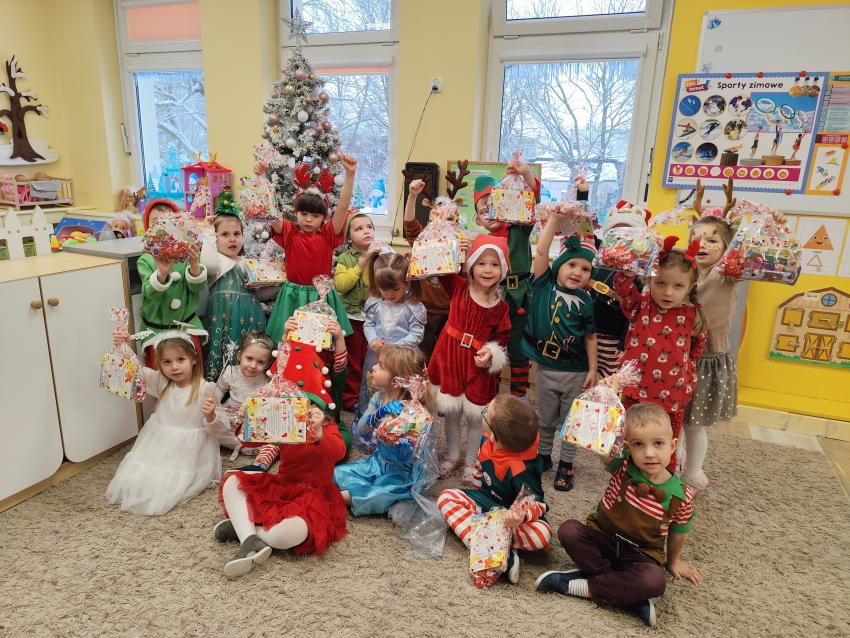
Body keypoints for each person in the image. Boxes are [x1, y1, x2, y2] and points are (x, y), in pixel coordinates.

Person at [536, 403, 701, 628]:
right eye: (638, 444)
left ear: (672, 446)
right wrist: (601, 408)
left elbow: (679, 533)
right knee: (569, 530)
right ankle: (626, 595)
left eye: (658, 444)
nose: (649, 453)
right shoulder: (622, 463)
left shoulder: (681, 496)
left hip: (641, 554)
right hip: (603, 538)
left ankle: (582, 585)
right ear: (627, 446)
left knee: (655, 581)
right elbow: (602, 446)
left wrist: (674, 561)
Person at [213, 352, 348, 578]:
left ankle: (245, 530)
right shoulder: (286, 423)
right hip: (282, 488)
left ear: (321, 410)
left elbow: (338, 452)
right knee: (233, 482)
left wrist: (319, 433)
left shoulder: (328, 429)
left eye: (311, 406)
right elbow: (250, 441)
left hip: (314, 496)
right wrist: (247, 421)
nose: (305, 412)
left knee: (287, 534)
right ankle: (249, 539)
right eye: (298, 405)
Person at [682, 200, 785, 493]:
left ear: (727, 249)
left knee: (694, 425)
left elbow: (756, 254)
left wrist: (773, 226)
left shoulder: (727, 273)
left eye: (712, 240)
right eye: (696, 238)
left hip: (707, 360)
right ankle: (673, 465)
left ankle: (693, 474)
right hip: (678, 355)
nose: (702, 244)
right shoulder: (685, 272)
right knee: (674, 419)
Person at [612, 237, 707, 473]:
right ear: (649, 280)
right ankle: (625, 480)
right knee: (630, 437)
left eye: (678, 286)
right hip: (636, 390)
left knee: (666, 443)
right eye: (660, 283)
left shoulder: (693, 314)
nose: (668, 292)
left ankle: (664, 484)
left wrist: (686, 373)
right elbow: (624, 288)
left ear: (690, 288)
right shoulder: (642, 305)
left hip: (672, 396)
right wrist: (627, 268)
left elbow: (696, 348)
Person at [437, 394, 550, 585]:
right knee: (445, 498)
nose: (483, 413)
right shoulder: (486, 441)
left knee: (542, 534)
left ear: (496, 437)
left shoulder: (522, 469)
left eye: (485, 414)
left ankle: (488, 548)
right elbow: (480, 470)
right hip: (487, 501)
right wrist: (475, 486)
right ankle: (498, 549)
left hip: (511, 516)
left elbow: (536, 501)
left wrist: (519, 515)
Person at [106, 329, 220, 515]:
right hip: (160, 441)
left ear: (193, 359)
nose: (174, 367)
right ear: (160, 364)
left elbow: (217, 427)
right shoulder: (161, 381)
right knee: (137, 479)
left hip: (189, 448)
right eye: (167, 362)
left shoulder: (206, 389)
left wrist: (210, 415)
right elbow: (135, 370)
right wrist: (124, 346)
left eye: (180, 359)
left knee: (172, 484)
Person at [427, 234, 511, 485]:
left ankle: (472, 461)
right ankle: (453, 454)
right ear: (471, 265)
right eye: (481, 263)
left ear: (503, 269)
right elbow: (437, 265)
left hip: (477, 366)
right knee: (451, 412)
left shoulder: (501, 308)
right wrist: (454, 249)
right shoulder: (458, 286)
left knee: (476, 416)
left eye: (494, 264)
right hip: (451, 358)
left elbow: (502, 339)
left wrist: (491, 353)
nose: (487, 269)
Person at [524, 207, 597, 492]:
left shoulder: (586, 300)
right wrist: (554, 219)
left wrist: (593, 369)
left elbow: (590, 336)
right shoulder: (544, 285)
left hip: (576, 371)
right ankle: (544, 456)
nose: (577, 272)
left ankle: (566, 463)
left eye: (585, 269)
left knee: (569, 420)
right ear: (559, 265)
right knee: (545, 418)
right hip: (546, 368)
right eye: (572, 265)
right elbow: (541, 252)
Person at [265, 154, 357, 344]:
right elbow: (270, 212)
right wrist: (261, 178)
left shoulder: (328, 235)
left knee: (321, 345)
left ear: (323, 217)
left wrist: (349, 175)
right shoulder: (289, 233)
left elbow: (342, 208)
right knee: (289, 343)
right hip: (292, 296)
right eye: (304, 213)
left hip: (321, 297)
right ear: (295, 213)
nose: (308, 219)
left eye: (315, 216)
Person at [239, 318, 352, 472]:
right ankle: (262, 462)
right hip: (288, 416)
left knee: (339, 441)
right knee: (273, 436)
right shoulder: (289, 362)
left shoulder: (326, 370)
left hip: (319, 421)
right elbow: (282, 361)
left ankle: (308, 452)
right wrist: (286, 336)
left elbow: (340, 366)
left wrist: (339, 339)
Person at [471, 159, 542, 399]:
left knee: (518, 346)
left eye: (495, 207)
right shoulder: (481, 242)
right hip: (492, 298)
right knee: (493, 345)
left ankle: (518, 397)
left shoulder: (518, 228)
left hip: (518, 297)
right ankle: (490, 396)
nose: (490, 214)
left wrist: (526, 174)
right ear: (478, 220)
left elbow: (533, 200)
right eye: (484, 211)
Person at [335, 346, 433, 515]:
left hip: (403, 471)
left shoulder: (415, 410)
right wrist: (377, 414)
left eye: (381, 366)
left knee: (379, 492)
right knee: (337, 473)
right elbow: (362, 429)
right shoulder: (379, 397)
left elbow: (417, 449)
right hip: (379, 462)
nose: (373, 367)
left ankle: (393, 500)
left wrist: (404, 428)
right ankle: (384, 498)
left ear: (398, 378)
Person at [136, 199, 208, 369]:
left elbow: (197, 288)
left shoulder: (187, 255)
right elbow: (150, 293)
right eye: (157, 223)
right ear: (148, 230)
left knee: (192, 373)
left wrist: (194, 264)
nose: (164, 228)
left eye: (169, 222)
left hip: (188, 328)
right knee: (160, 376)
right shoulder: (146, 260)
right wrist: (162, 273)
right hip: (157, 332)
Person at [358, 251, 426, 421]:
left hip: (401, 358)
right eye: (384, 289)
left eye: (395, 289)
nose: (389, 294)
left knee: (399, 390)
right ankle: (367, 421)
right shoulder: (375, 303)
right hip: (376, 355)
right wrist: (372, 339)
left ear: (407, 282)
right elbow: (369, 324)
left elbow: (416, 334)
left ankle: (397, 423)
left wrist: (394, 347)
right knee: (371, 385)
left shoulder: (413, 307)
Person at [202, 210, 267, 381]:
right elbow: (207, 265)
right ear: (215, 238)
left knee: (247, 355)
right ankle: (220, 387)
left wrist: (276, 282)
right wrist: (208, 232)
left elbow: (260, 293)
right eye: (225, 234)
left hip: (250, 321)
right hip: (224, 322)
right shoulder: (217, 262)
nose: (232, 239)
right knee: (224, 353)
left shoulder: (246, 263)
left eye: (237, 234)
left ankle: (245, 386)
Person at [591, 199, 650, 378]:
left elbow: (633, 314)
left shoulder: (636, 277)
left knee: (609, 379)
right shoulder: (600, 263)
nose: (621, 239)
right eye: (615, 234)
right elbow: (586, 232)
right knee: (588, 376)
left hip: (613, 338)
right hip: (590, 333)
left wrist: (623, 343)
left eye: (628, 234)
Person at [334, 212, 379, 412]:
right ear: (349, 238)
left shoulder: (380, 255)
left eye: (369, 227)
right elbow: (341, 285)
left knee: (371, 359)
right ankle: (350, 398)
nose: (366, 231)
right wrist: (359, 266)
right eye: (359, 229)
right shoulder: (345, 258)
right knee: (352, 360)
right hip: (351, 317)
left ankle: (370, 396)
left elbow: (382, 283)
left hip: (374, 317)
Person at [402, 179, 452, 359]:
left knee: (444, 358)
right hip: (424, 311)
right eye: (432, 219)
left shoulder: (458, 243)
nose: (437, 224)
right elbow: (409, 223)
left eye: (444, 218)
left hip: (450, 313)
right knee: (422, 356)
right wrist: (412, 196)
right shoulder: (423, 240)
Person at [203, 331, 274, 454]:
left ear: (267, 364)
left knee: (266, 433)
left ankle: (247, 445)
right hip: (230, 416)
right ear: (240, 355)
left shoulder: (267, 380)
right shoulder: (231, 372)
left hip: (250, 420)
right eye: (249, 358)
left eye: (260, 362)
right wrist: (213, 403)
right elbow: (219, 389)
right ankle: (239, 443)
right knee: (211, 423)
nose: (253, 365)